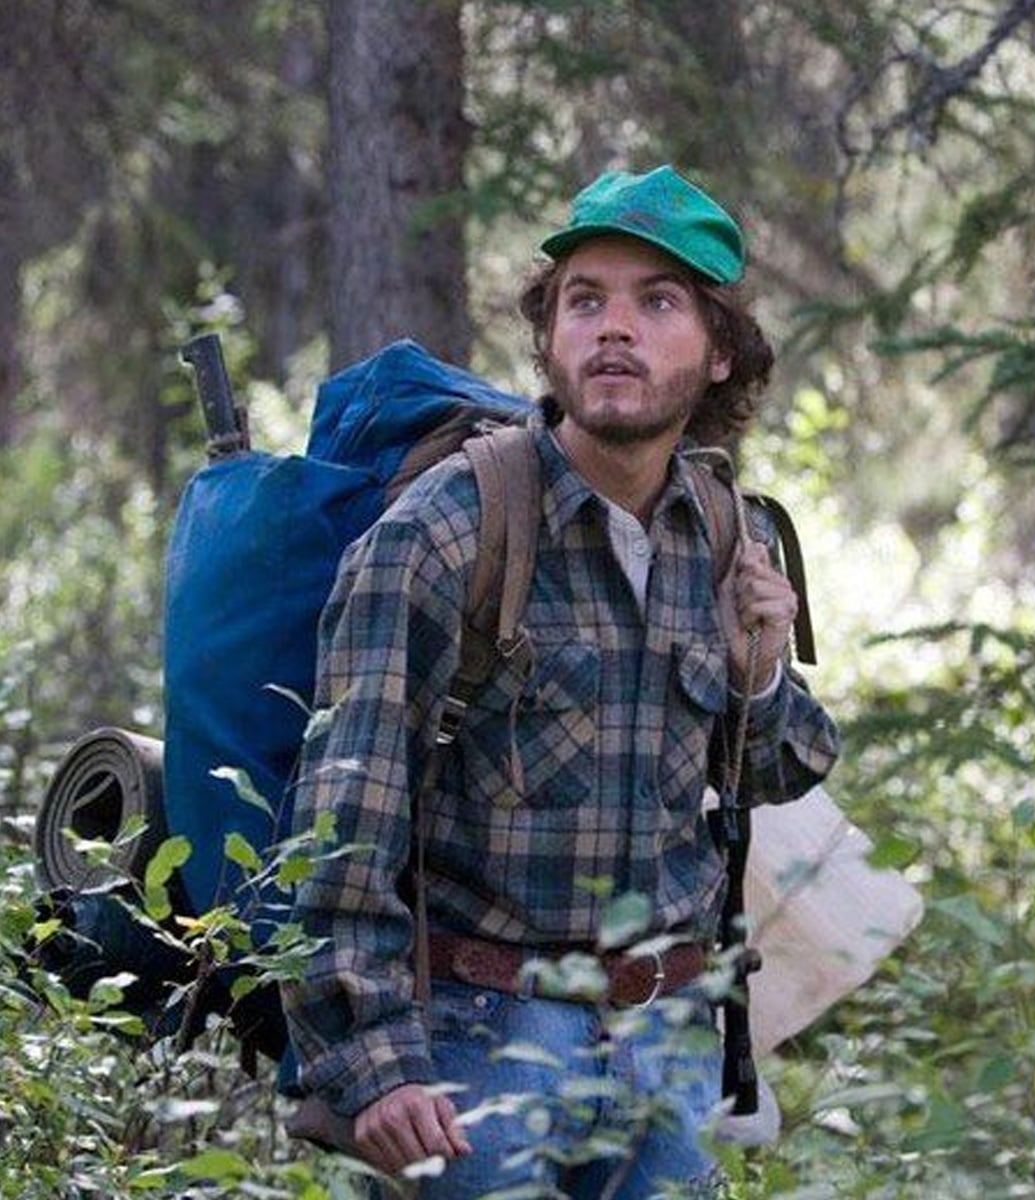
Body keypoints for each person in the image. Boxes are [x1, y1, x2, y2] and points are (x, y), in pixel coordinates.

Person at [282, 164, 840, 1199]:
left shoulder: (727, 532)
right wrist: (374, 1066)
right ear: (550, 336)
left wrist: (760, 676)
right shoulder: (448, 532)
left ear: (721, 353)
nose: (613, 327)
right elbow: (339, 823)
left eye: (656, 301)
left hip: (665, 1047)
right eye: (585, 300)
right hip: (477, 1043)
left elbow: (786, 767)